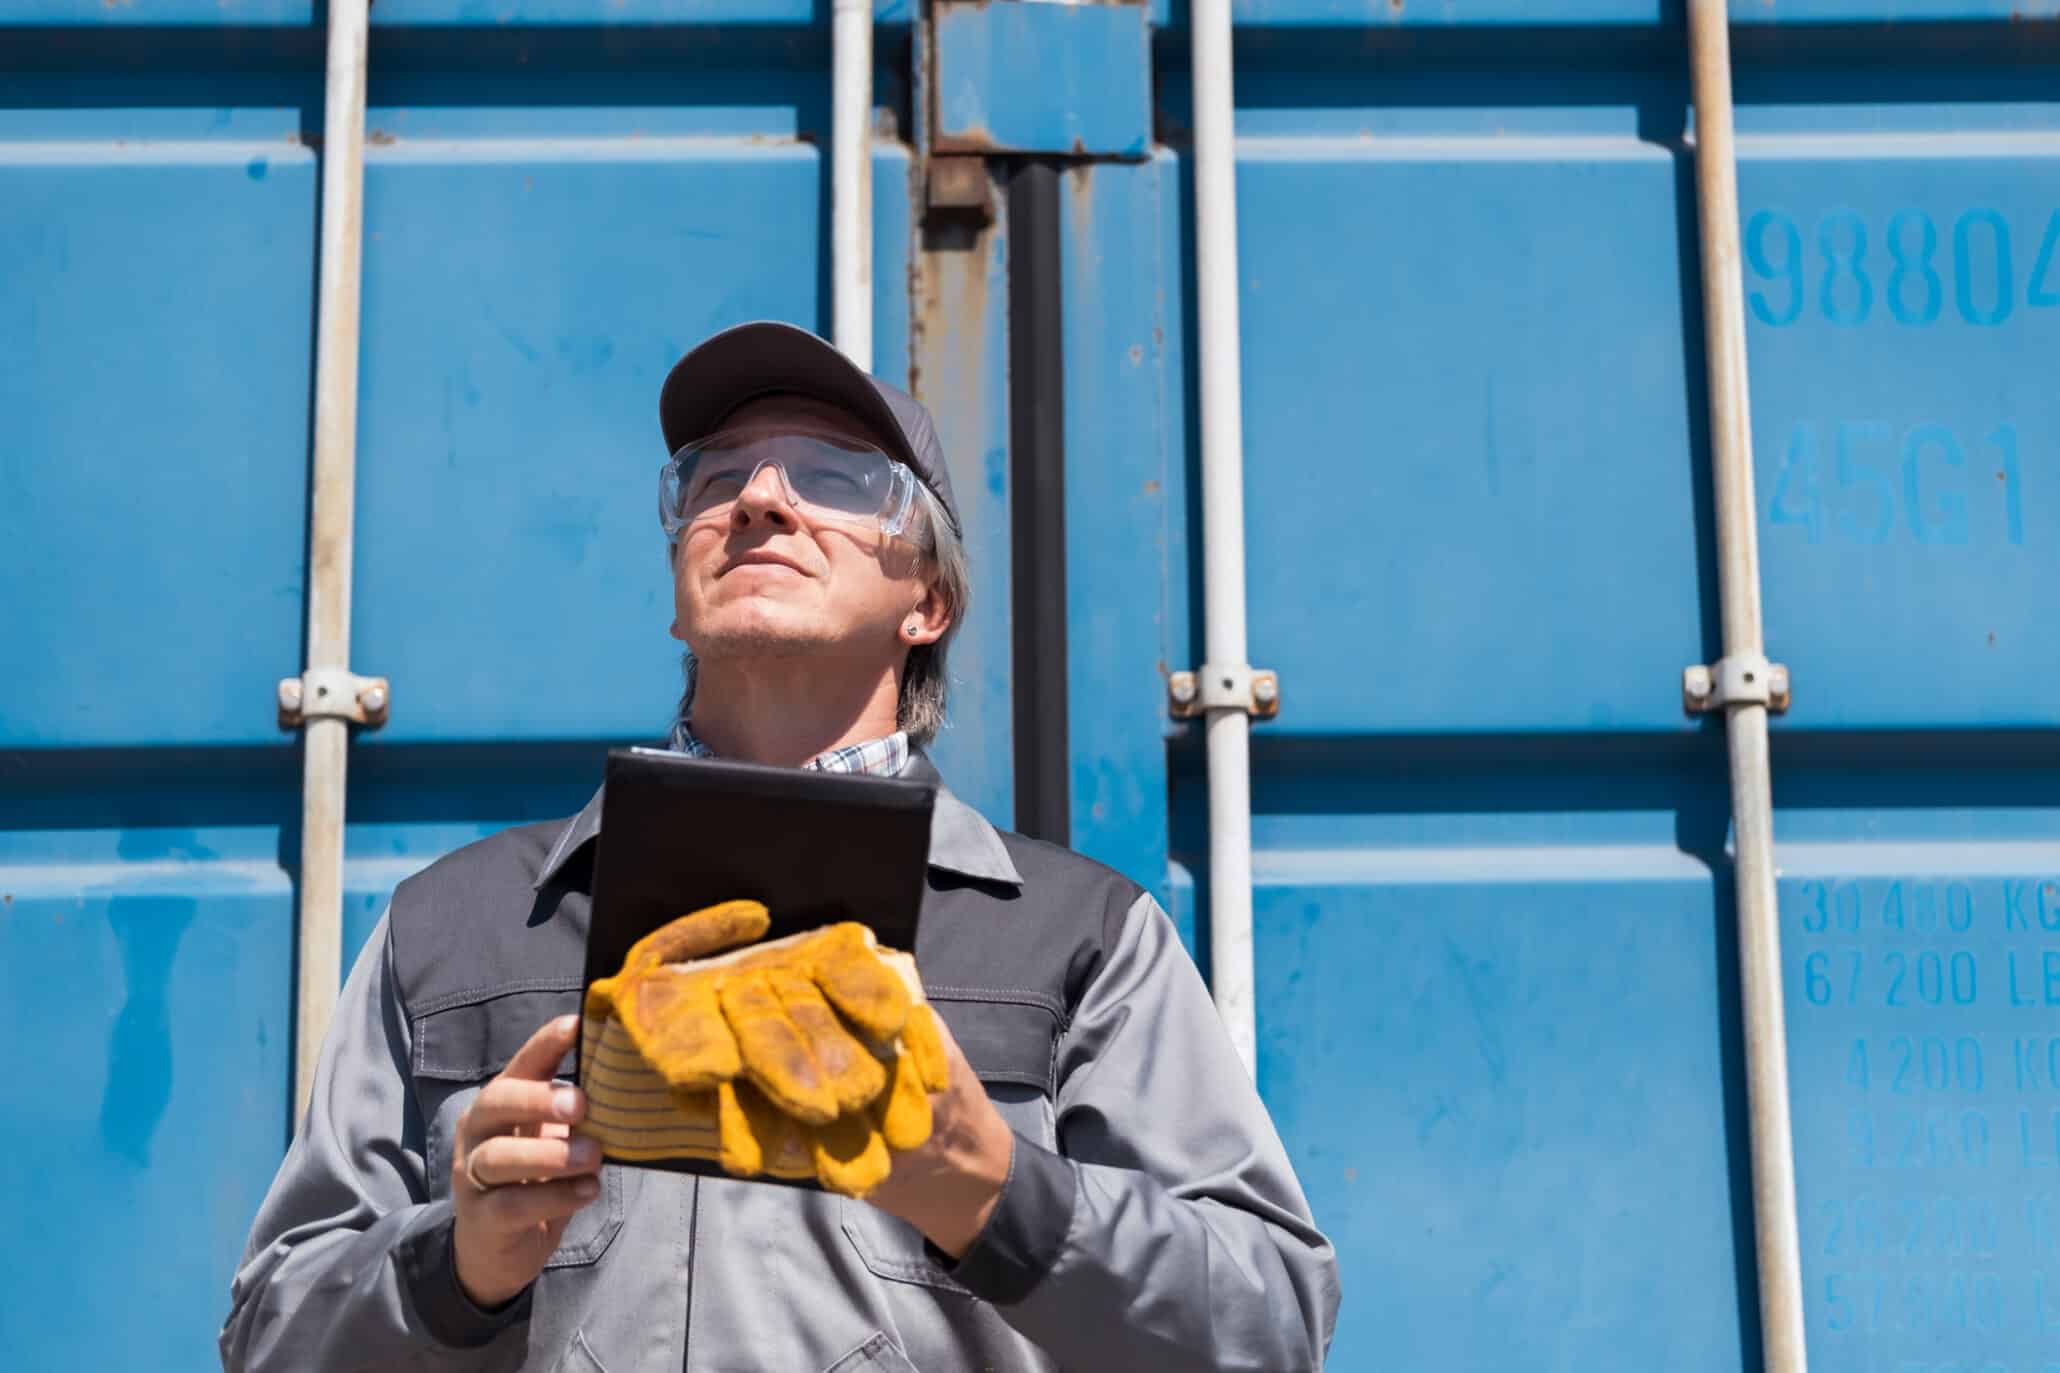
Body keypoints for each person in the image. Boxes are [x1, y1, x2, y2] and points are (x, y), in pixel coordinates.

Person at [220, 321, 1339, 1372]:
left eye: (835, 478)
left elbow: (1267, 1318)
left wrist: (995, 1189)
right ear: (676, 591)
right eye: (716, 478)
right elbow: (269, 1329)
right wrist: (453, 1267)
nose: (758, 499)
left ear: (928, 600)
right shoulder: (452, 929)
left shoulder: (1080, 942)